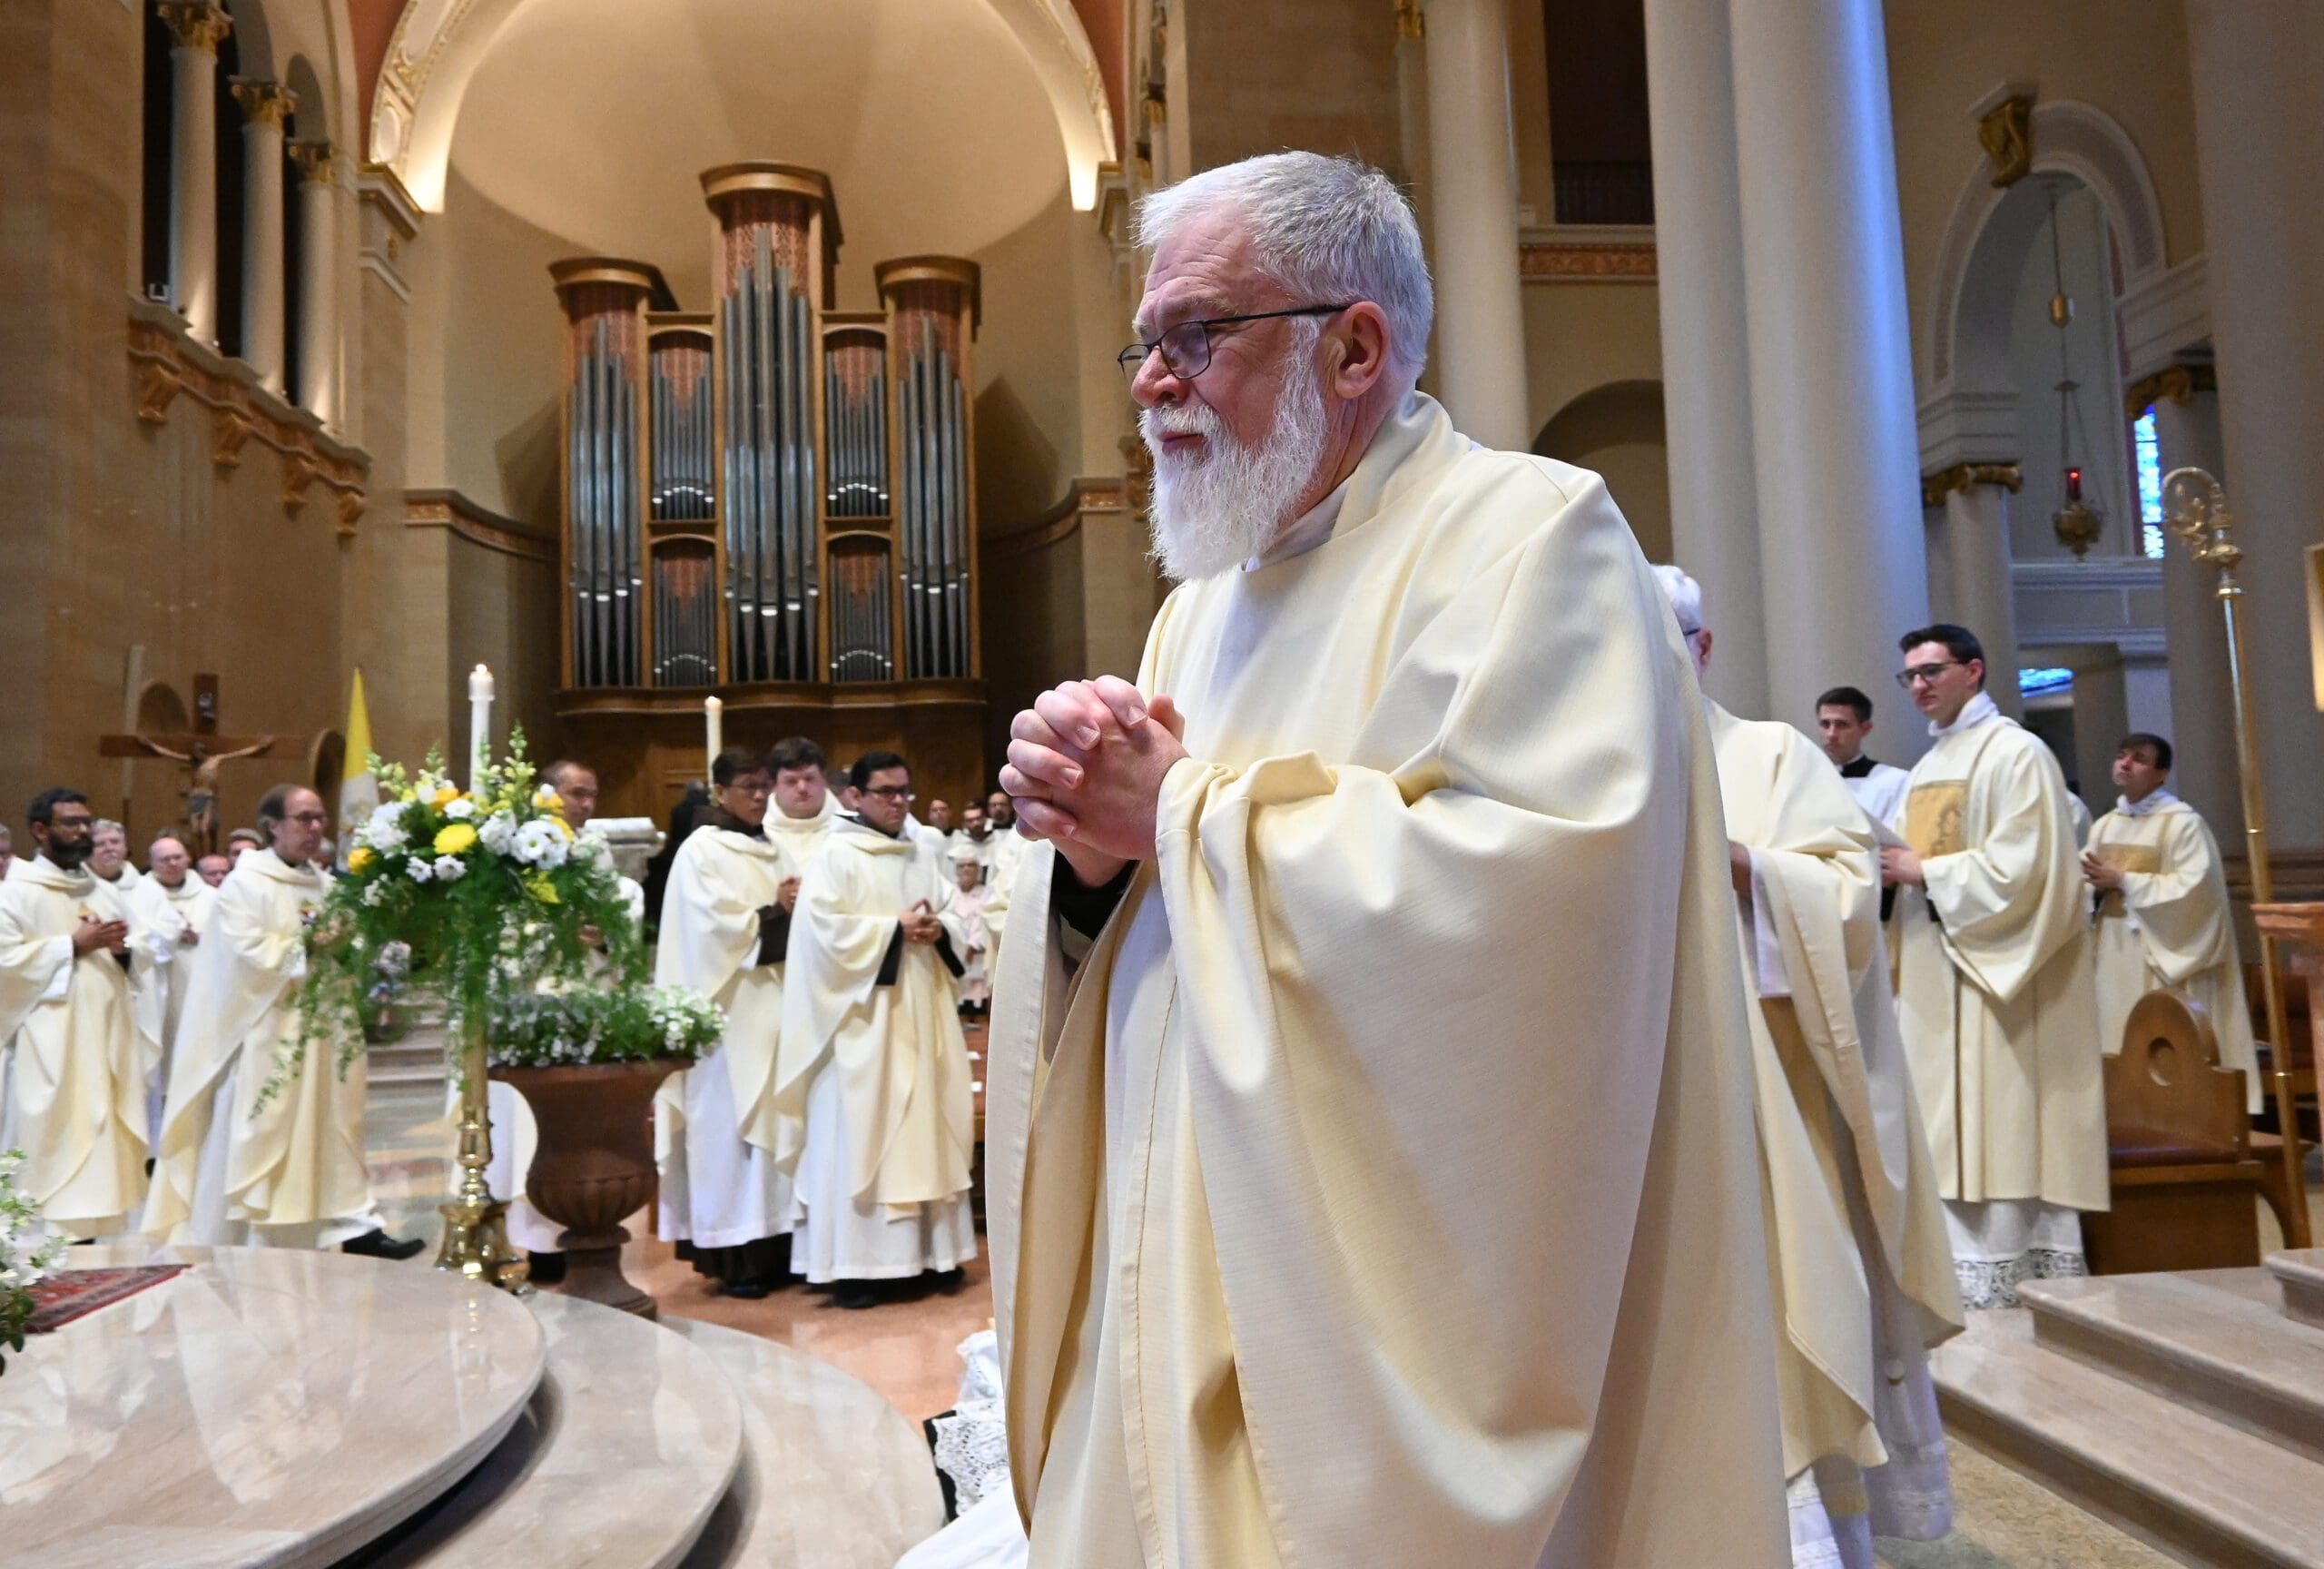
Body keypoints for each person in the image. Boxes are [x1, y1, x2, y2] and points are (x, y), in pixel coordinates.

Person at [988, 153, 1785, 1565]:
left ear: (1353, 346)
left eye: (1196, 336)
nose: (1149, 383)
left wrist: (1175, 814)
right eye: (1146, 342)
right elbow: (1157, 909)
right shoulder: (1200, 611)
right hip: (1172, 1249)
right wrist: (1088, 852)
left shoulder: (1533, 537)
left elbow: (1533, 910)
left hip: (1363, 1313)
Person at [1656, 568, 1961, 1569]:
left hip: (1760, 1102)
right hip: (1625, 1110)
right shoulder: (1561, 763)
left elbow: (1839, 899)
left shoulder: (1769, 754)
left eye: (1658, 638)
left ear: (1701, 650)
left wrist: (1739, 864)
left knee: (1769, 1328)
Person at [1879, 625, 2105, 1308]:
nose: (1919, 685)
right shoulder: (1926, 767)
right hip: (1934, 972)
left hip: (1992, 979)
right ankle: (1954, 1278)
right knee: (1944, 1126)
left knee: (2000, 1118)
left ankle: (2011, 1274)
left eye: (1932, 671)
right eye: (1910, 676)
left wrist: (1928, 870)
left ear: (1973, 671)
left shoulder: (2017, 754)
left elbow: (2029, 869)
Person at [143, 784, 421, 1257]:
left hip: (328, 1025)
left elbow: (347, 948)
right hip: (267, 1028)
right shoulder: (245, 885)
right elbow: (247, 955)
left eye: (320, 819)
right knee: (269, 1125)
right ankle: (261, 1231)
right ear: (273, 826)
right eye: (304, 819)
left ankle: (352, 1224)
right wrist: (309, 945)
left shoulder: (325, 884)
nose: (316, 828)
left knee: (337, 1121)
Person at [774, 751, 977, 1308]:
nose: (897, 802)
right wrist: (893, 928)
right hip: (864, 1024)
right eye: (885, 792)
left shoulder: (919, 849)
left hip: (921, 1014)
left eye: (904, 791)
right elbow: (819, 938)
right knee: (867, 1135)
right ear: (854, 797)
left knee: (927, 1130)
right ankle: (860, 1267)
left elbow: (953, 914)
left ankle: (934, 1255)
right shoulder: (835, 856)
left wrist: (940, 928)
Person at [653, 743, 834, 1298]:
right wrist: (775, 910)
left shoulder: (773, 846)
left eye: (764, 788)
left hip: (775, 1008)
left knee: (777, 1126)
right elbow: (710, 932)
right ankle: (737, 1255)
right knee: (732, 1133)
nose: (759, 798)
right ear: (721, 793)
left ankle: (778, 1247)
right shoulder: (700, 851)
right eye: (748, 789)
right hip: (726, 1015)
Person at [0, 788, 153, 1239]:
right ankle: (41, 1246)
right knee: (56, 1140)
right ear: (41, 831)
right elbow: (6, 963)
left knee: (102, 1137)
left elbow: (136, 956)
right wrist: (71, 946)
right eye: (72, 823)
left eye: (88, 822)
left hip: (106, 1039)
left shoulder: (102, 890)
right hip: (51, 1047)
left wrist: (124, 952)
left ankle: (91, 1238)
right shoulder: (15, 894)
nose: (84, 831)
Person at [2083, 734, 2260, 1110]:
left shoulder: (2182, 824)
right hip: (2113, 951)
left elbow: (2196, 891)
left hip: (2160, 951)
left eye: (2139, 759)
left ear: (2161, 773)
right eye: (2121, 755)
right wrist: (2092, 889)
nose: (2125, 764)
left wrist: (2125, 881)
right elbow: (2084, 883)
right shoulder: (2104, 826)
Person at [127, 833, 216, 1149]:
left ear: (188, 859)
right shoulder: (138, 893)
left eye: (177, 857)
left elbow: (227, 938)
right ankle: (157, 1135)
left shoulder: (209, 896)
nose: (172, 864)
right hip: (155, 989)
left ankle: (195, 1133)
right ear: (151, 863)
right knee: (158, 1058)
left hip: (197, 988)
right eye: (164, 859)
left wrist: (199, 936)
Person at [1815, 686, 1911, 830]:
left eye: (1842, 725)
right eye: (1825, 724)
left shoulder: (1896, 782)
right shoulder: (1806, 782)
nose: (1831, 734)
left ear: (1865, 729)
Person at [948, 843, 992, 1018]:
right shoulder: (949, 893)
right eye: (961, 865)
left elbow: (987, 922)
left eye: (971, 865)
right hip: (953, 957)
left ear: (978, 869)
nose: (966, 869)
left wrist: (972, 945)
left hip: (978, 959)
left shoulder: (988, 894)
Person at [89, 819, 142, 893]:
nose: (109, 848)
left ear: (125, 848)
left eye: (115, 842)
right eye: (100, 844)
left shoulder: (149, 888)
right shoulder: (77, 887)